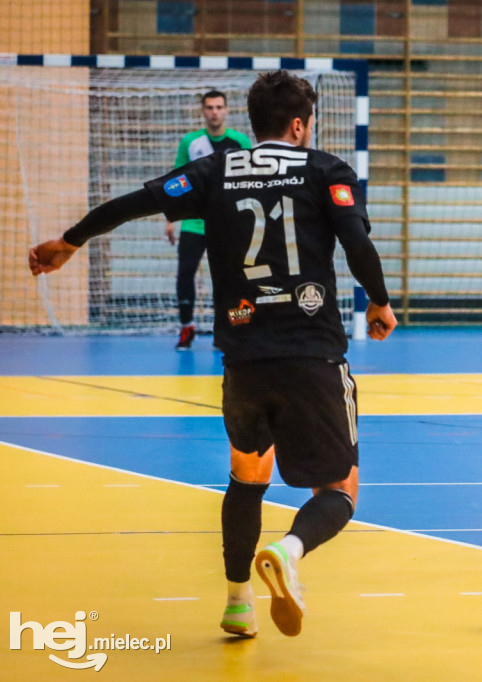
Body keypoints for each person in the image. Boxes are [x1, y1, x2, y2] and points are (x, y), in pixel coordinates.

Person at [30, 70, 398, 638]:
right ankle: (291, 551)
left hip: (244, 357)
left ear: (251, 123)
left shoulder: (215, 169)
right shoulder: (327, 169)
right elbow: (356, 242)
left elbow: (134, 203)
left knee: (247, 477)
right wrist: (379, 302)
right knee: (341, 487)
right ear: (300, 125)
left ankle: (236, 604)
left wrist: (70, 241)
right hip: (313, 353)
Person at [166, 89, 252, 351]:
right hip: (194, 222)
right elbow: (175, 181)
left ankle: (227, 330)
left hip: (228, 223)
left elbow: (250, 182)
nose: (214, 112)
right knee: (185, 275)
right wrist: (170, 218)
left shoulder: (241, 142)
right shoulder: (190, 143)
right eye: (210, 107)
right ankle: (187, 328)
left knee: (231, 278)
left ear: (226, 110)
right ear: (203, 112)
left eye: (219, 107)